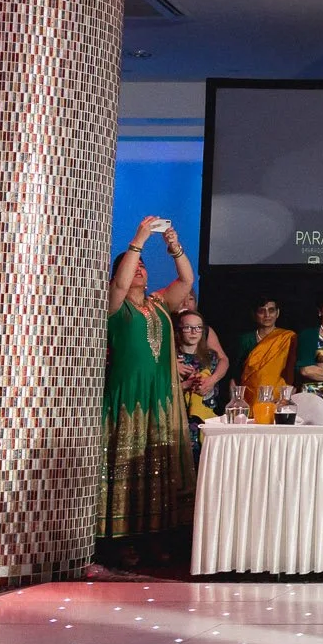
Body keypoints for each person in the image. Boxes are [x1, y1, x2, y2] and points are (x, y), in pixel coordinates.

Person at [101, 216, 196, 566]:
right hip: (128, 397)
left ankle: (155, 536)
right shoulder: (114, 304)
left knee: (159, 468)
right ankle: (121, 541)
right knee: (125, 468)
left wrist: (174, 246)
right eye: (133, 264)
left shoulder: (158, 303)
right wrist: (139, 238)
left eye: (143, 264)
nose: (139, 268)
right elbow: (120, 283)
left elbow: (186, 280)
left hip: (160, 398)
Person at [235, 298, 297, 404]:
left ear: (277, 313)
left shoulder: (288, 337)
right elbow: (236, 373)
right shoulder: (245, 339)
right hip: (250, 396)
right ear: (254, 314)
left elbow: (293, 371)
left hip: (280, 397)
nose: (267, 315)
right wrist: (236, 400)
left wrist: (288, 396)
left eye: (271, 310)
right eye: (261, 311)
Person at [174, 309, 228, 424]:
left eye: (198, 327)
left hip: (205, 419)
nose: (194, 332)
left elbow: (214, 391)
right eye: (188, 327)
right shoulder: (173, 359)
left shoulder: (211, 357)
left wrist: (205, 383)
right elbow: (163, 391)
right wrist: (185, 385)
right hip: (178, 418)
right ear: (179, 330)